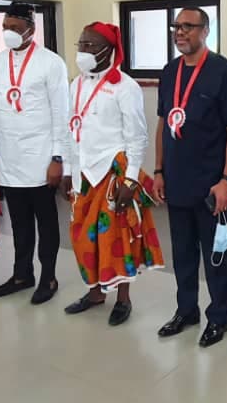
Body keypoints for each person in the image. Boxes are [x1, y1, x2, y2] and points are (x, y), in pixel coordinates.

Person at [59, 22, 165, 327]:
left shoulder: (125, 86)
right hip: (83, 173)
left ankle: (123, 299)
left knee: (116, 238)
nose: (83, 51)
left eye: (91, 46)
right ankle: (94, 293)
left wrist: (130, 180)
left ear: (109, 50)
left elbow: (137, 137)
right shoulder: (75, 85)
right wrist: (68, 169)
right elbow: (71, 130)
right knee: (82, 236)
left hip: (112, 172)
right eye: (81, 45)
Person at [153, 8, 227, 348]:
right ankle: (186, 309)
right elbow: (164, 123)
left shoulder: (225, 73)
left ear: (206, 31)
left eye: (188, 27)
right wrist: (159, 170)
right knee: (182, 253)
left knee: (215, 255)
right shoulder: (169, 72)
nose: (180, 32)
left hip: (211, 184)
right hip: (176, 181)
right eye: (176, 26)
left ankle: (218, 316)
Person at [0, 2, 69, 304]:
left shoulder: (51, 63)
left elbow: (61, 114)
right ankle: (22, 274)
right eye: (5, 28)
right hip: (9, 157)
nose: (9, 34)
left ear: (32, 29)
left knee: (45, 222)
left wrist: (59, 158)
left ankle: (49, 276)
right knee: (18, 222)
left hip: (41, 157)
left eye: (15, 29)